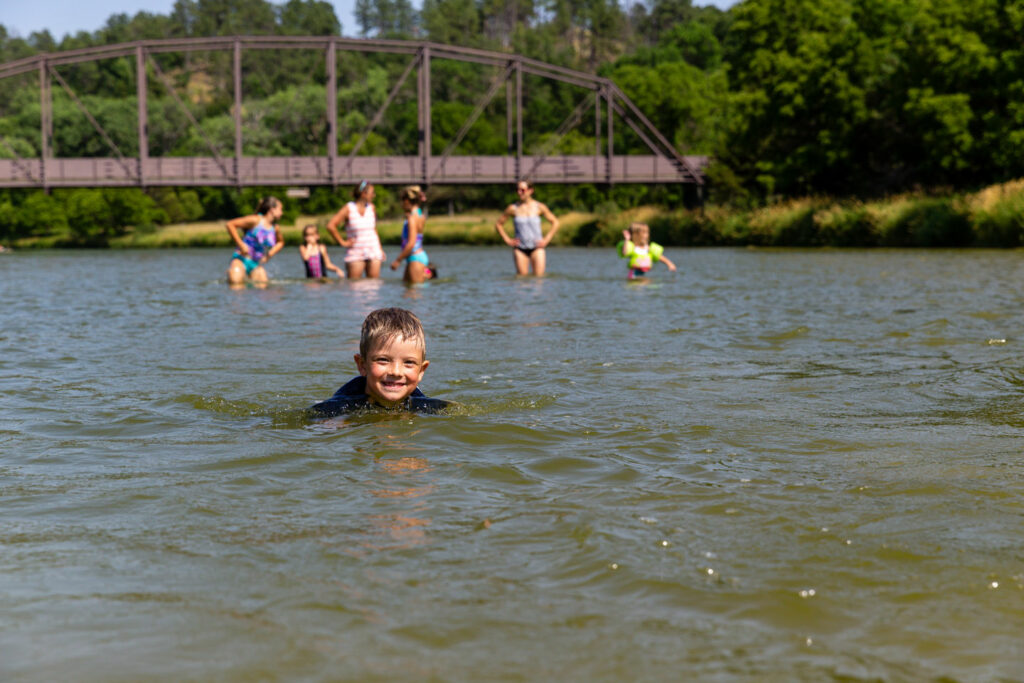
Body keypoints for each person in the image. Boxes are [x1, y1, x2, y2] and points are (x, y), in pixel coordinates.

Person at [309, 307, 450, 415]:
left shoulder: (424, 405)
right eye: (383, 360)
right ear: (362, 365)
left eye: (409, 362)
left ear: (421, 371)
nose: (396, 372)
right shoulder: (340, 406)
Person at [494, 180, 561, 276]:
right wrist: (507, 240)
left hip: (537, 247)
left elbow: (555, 222)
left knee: (539, 279)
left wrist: (546, 240)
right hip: (520, 248)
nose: (519, 192)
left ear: (530, 190)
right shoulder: (513, 208)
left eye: (522, 190)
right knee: (521, 281)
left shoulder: (540, 207)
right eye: (518, 190)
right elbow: (498, 224)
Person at [326, 180, 386, 279]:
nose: (374, 195)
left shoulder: (372, 208)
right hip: (355, 251)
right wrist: (342, 242)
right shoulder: (349, 208)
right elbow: (331, 226)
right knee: (354, 285)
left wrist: (380, 248)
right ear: (363, 194)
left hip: (373, 250)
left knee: (374, 285)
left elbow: (373, 229)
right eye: (372, 193)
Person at [225, 197, 284, 285]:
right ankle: (232, 272)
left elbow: (280, 242)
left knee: (263, 286)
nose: (282, 213)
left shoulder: (274, 228)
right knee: (235, 282)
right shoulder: (255, 220)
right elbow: (230, 224)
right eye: (280, 209)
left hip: (256, 264)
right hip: (241, 259)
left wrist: (269, 255)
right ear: (272, 210)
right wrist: (241, 244)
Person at [390, 185, 430, 284]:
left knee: (414, 295)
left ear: (407, 201)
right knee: (407, 292)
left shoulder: (412, 218)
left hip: (415, 258)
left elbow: (411, 243)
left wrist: (398, 260)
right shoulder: (420, 214)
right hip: (417, 256)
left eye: (402, 201)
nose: (401, 204)